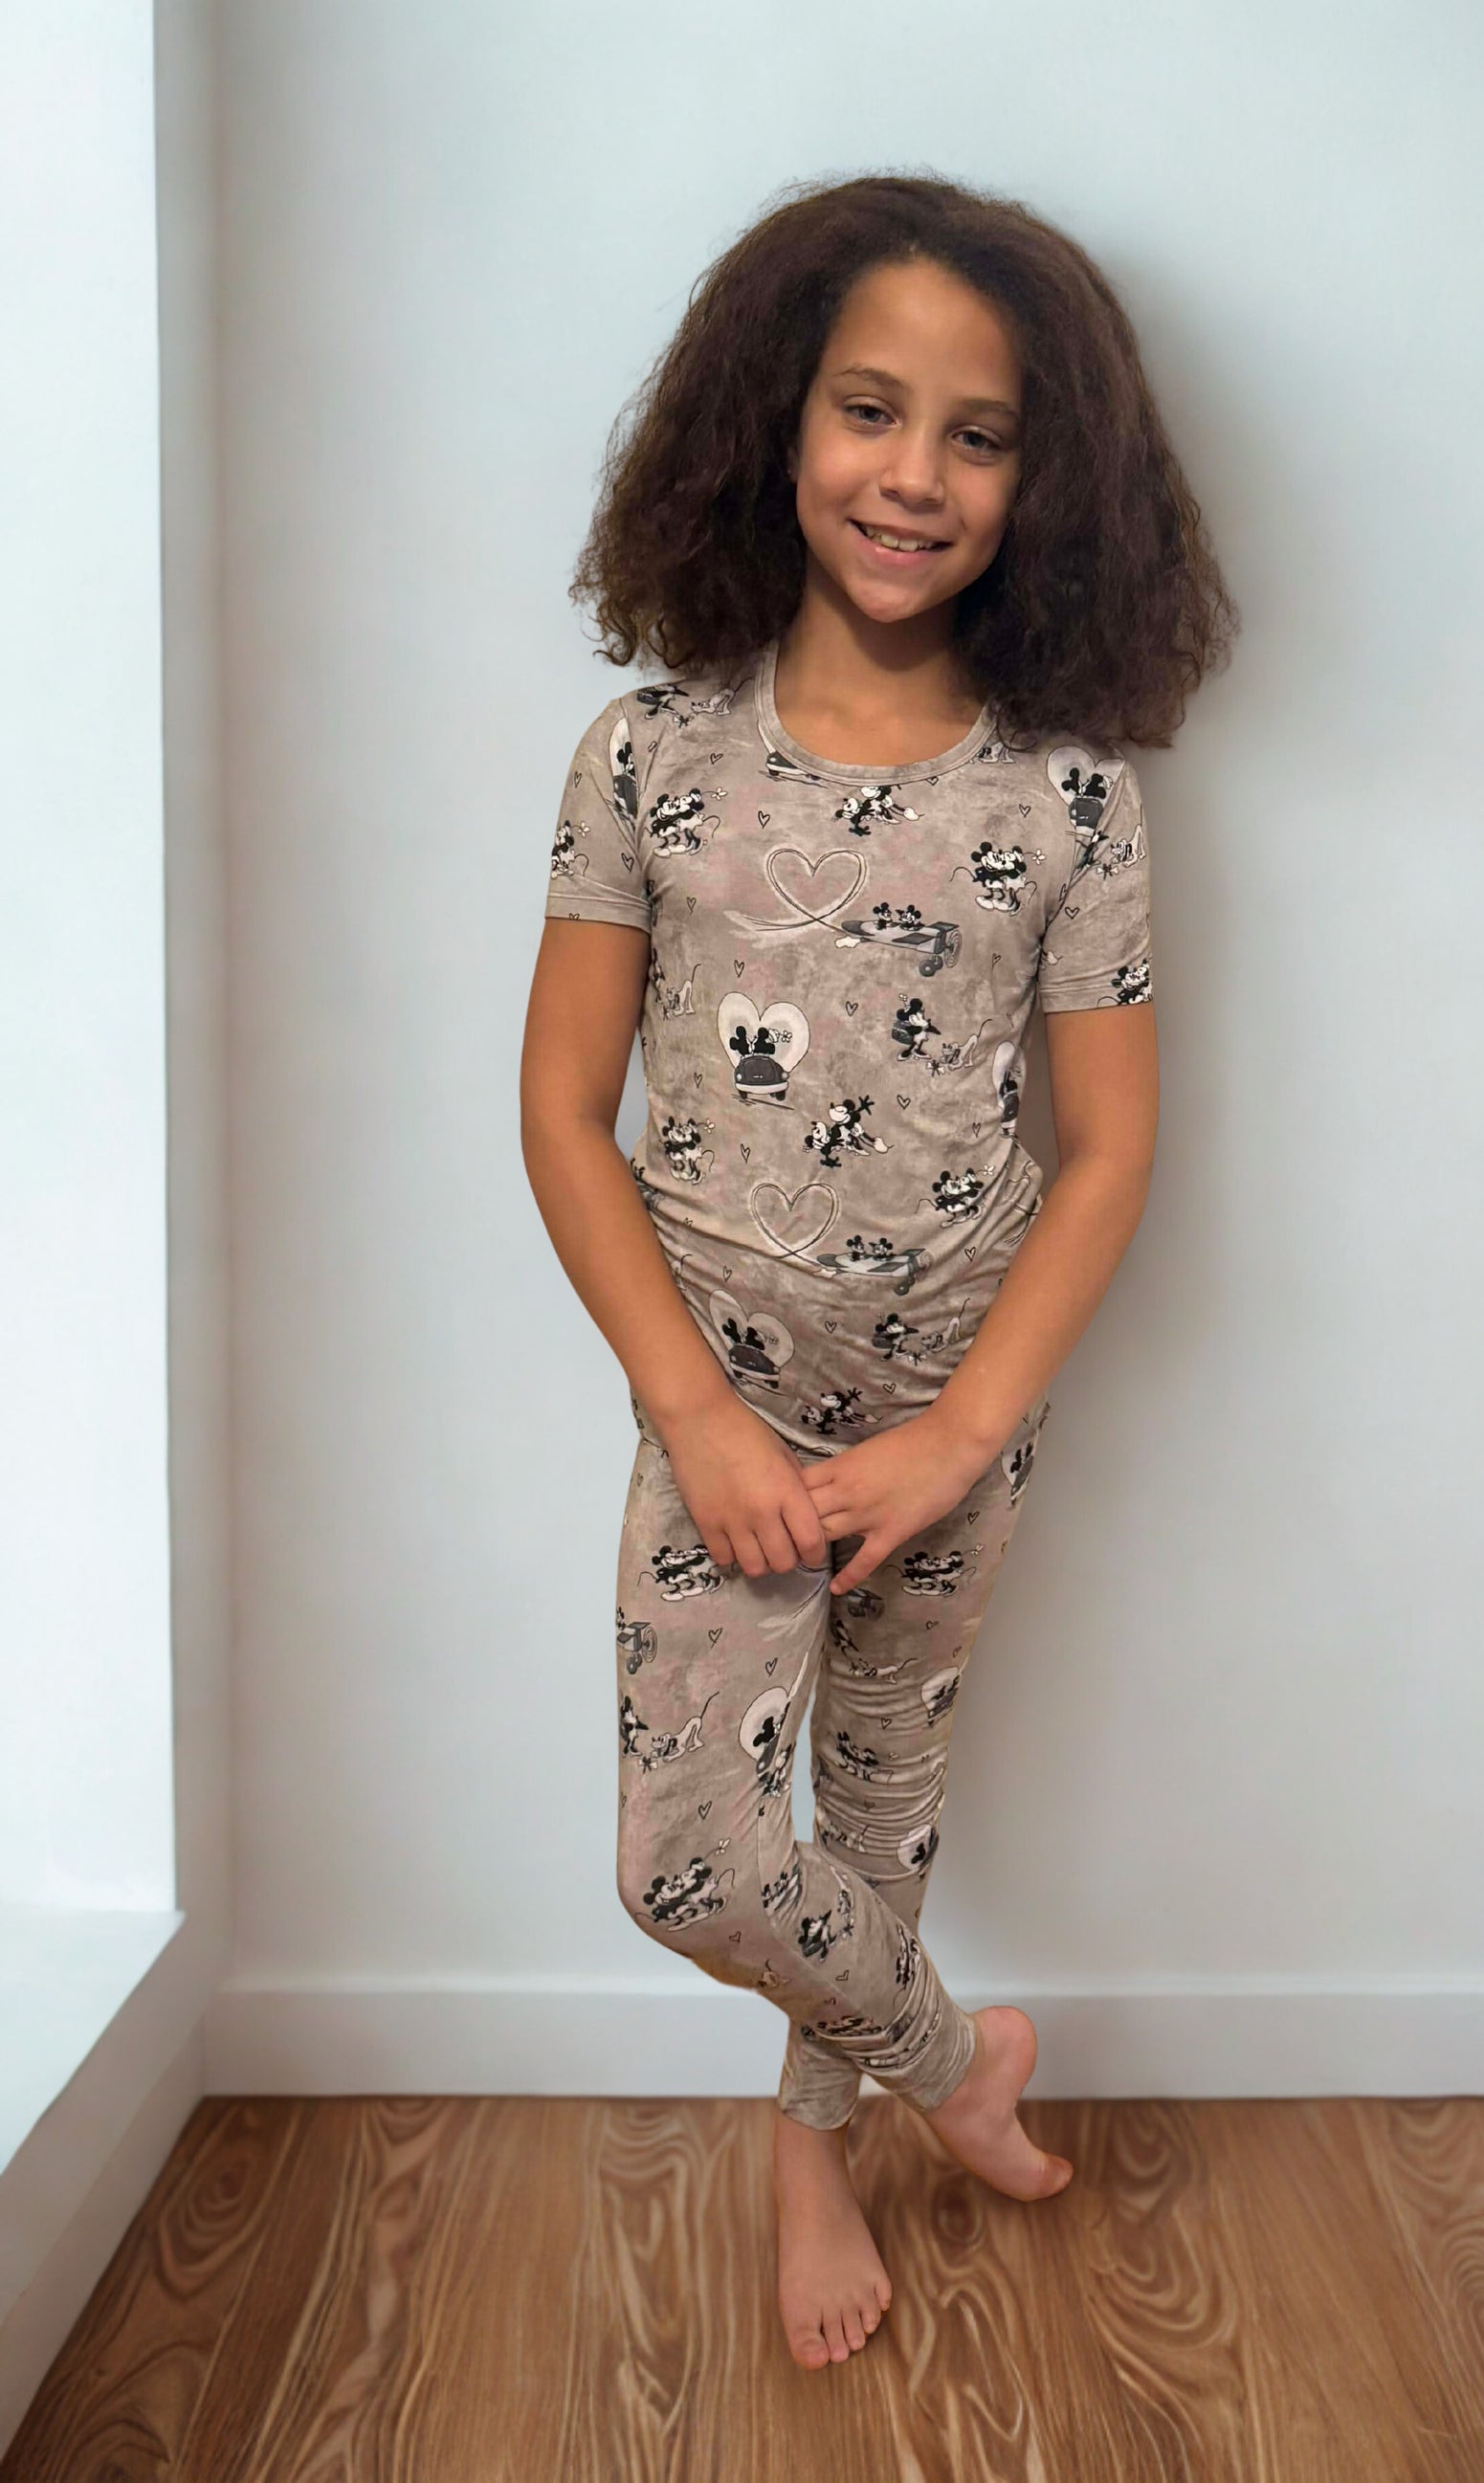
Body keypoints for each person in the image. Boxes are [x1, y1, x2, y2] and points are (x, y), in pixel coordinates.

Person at [520, 171, 1236, 2372]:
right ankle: (949, 2061)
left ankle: (812, 2143)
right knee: (689, 1856)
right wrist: (698, 1414)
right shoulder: (648, 758)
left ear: (1048, 483)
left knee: (878, 1804)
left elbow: (1108, 1151)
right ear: (771, 419)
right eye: (868, 409)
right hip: (720, 1407)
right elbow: (559, 1115)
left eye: (977, 434)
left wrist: (955, 1433)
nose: (913, 474)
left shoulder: (1071, 801)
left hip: (954, 1414)